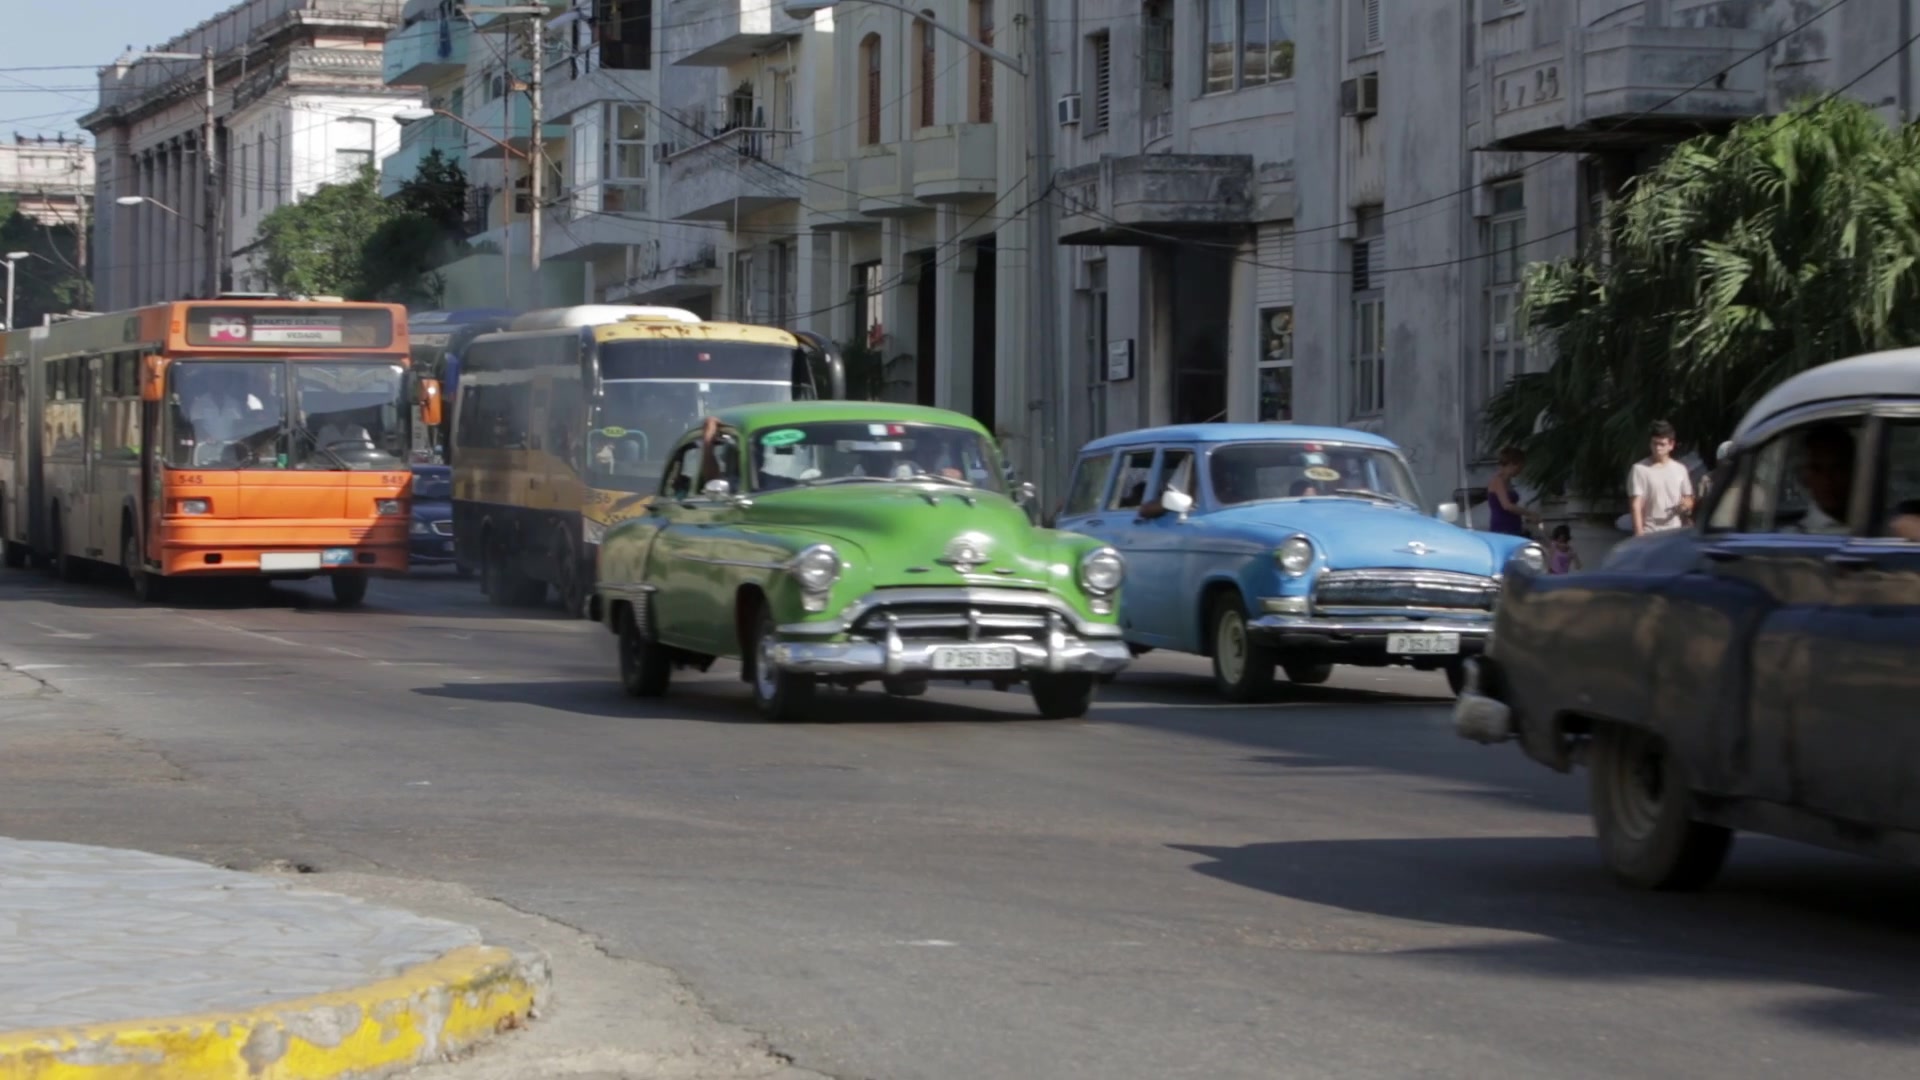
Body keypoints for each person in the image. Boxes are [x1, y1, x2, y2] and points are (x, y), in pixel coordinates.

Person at [1786, 422, 1854, 535]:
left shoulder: (1882, 527)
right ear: (1805, 477)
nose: (1827, 479)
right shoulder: (1794, 537)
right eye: (1817, 470)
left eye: (1837, 468)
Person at [1630, 420, 1695, 536]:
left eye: (1662, 444)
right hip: (1650, 531)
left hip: (1674, 531)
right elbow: (1636, 504)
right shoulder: (1639, 469)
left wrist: (1685, 505)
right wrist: (1639, 533)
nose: (1658, 448)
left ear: (1671, 445)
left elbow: (1688, 498)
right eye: (1654, 443)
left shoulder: (1680, 469)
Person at [1486, 446, 1536, 537]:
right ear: (1512, 464)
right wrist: (1529, 513)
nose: (1520, 470)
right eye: (1520, 467)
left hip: (1513, 526)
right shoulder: (1498, 481)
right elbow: (1507, 506)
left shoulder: (1507, 482)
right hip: (1503, 528)